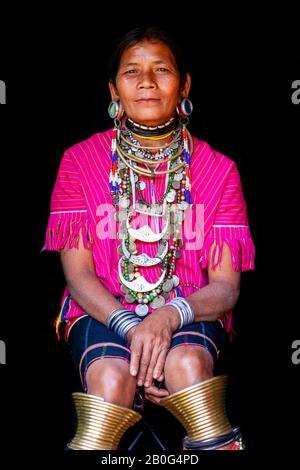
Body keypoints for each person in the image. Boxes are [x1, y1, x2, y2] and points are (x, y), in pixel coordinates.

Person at [42, 26, 255, 451]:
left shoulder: (219, 169)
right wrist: (130, 326)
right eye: (132, 72)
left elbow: (226, 287)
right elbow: (78, 276)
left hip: (189, 311)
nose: (147, 82)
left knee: (188, 365)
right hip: (101, 311)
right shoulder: (79, 161)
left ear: (185, 84)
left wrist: (167, 317)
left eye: (162, 70)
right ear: (113, 89)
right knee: (110, 380)